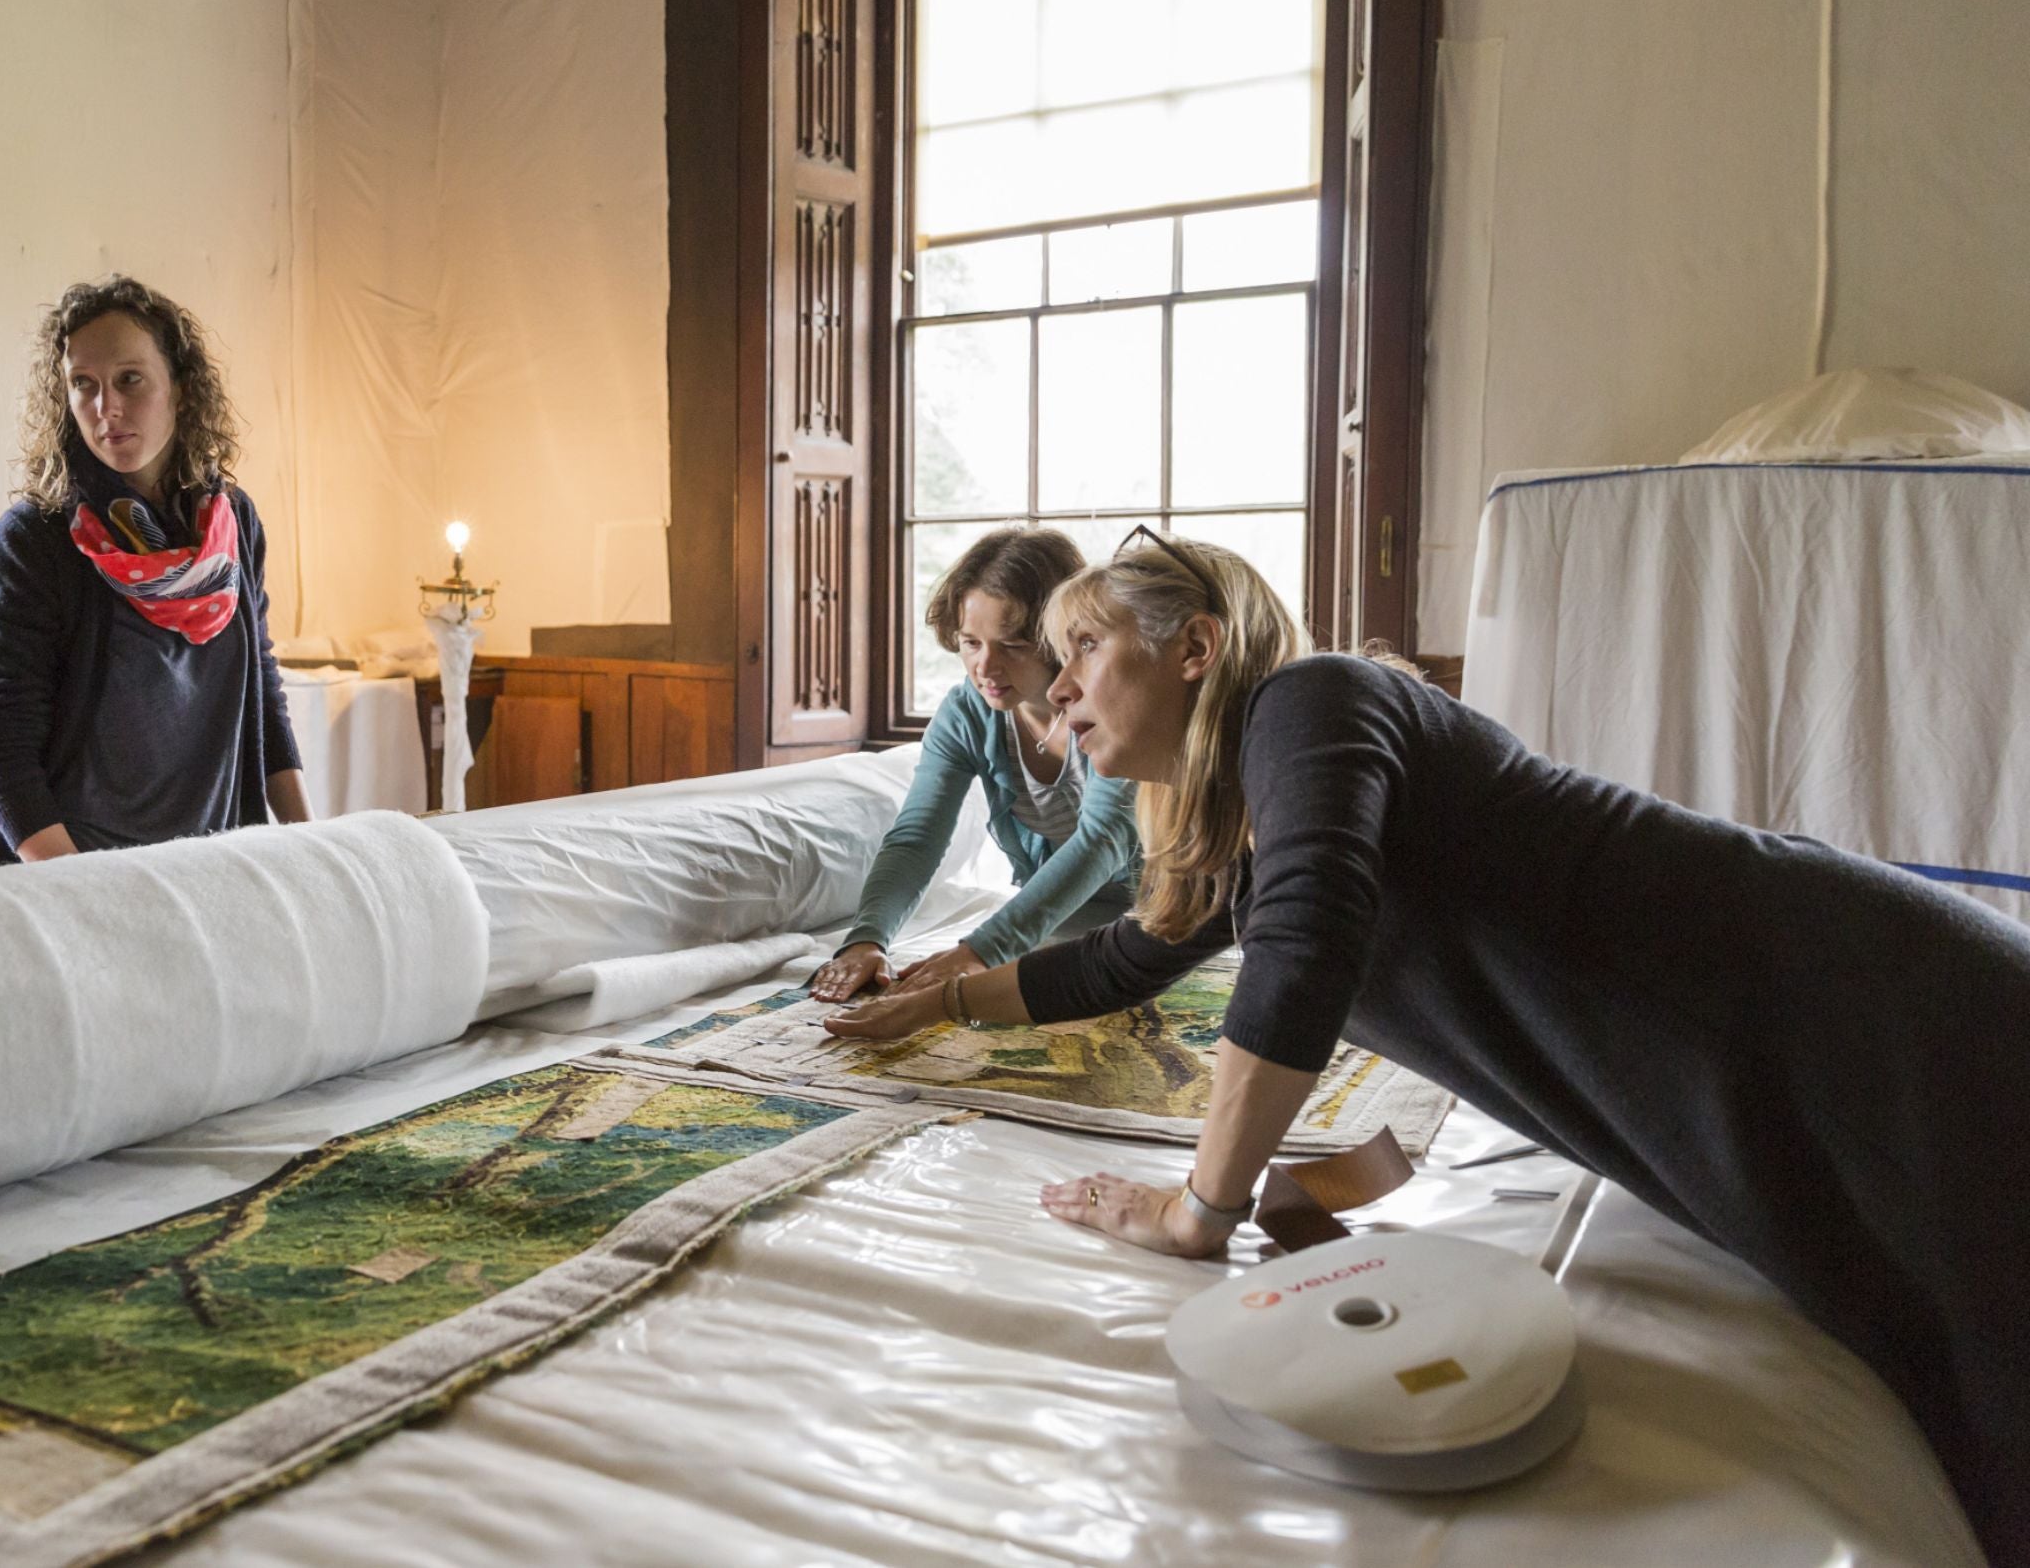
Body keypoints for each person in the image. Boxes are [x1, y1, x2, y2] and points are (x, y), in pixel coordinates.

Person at [822, 528, 2030, 1559]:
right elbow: (1128, 955)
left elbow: (1307, 946)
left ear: (1194, 648)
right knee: (1950, 1379)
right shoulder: (1242, 822)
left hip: (1862, 999)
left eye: (1082, 646)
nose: (1056, 687)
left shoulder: (1313, 701)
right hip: (1748, 1071)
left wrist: (1200, 1207)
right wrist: (945, 1000)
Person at [0, 278, 305, 863]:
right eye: (83, 385)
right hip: (74, 881)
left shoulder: (233, 523)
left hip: (209, 870)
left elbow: (261, 693)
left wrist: (312, 841)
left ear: (182, 387)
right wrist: (83, 890)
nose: (106, 408)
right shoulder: (35, 540)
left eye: (130, 379)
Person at [809, 527, 1139, 1003]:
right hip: (1061, 928)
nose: (985, 666)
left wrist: (978, 952)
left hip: (1169, 922)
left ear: (1062, 638)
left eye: (1013, 645)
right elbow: (918, 836)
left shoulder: (1114, 708)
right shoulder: (967, 713)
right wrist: (868, 940)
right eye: (970, 643)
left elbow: (1101, 841)